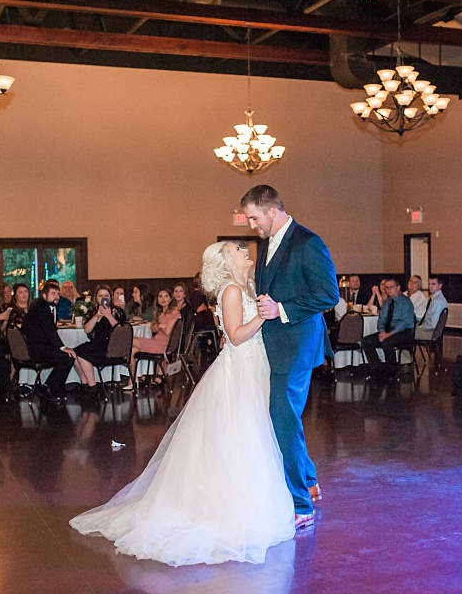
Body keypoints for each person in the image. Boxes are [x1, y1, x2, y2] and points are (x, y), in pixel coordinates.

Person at [70, 241, 294, 566]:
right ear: (226, 262)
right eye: (237, 249)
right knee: (240, 432)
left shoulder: (248, 285)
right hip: (240, 369)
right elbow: (234, 334)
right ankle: (231, 505)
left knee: (253, 431)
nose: (245, 251)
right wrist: (263, 315)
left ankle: (253, 500)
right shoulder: (232, 290)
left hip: (254, 365)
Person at [245, 184, 340, 529]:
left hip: (298, 344)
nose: (252, 226)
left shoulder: (308, 242)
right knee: (284, 419)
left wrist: (281, 309)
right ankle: (310, 482)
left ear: (272, 211)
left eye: (254, 218)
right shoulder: (265, 243)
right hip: (273, 344)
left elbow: (329, 294)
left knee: (282, 418)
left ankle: (300, 504)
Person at [21, 280, 76, 403]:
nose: (56, 296)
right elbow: (49, 330)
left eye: (57, 293)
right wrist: (62, 347)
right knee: (67, 357)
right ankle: (49, 388)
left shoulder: (44, 305)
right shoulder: (41, 307)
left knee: (67, 356)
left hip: (36, 346)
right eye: (53, 293)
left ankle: (51, 388)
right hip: (35, 349)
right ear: (44, 295)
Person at [124, 288, 181, 390]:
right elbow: (153, 328)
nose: (163, 299)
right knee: (132, 351)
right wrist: (160, 325)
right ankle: (133, 379)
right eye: (160, 296)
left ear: (170, 299)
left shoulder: (174, 311)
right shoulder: (160, 312)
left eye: (166, 296)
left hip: (163, 345)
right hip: (156, 341)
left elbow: (167, 331)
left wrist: (159, 326)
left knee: (129, 340)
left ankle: (136, 378)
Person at [361, 276, 415, 378]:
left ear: (398, 288)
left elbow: (404, 323)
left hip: (404, 332)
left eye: (391, 287)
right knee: (366, 341)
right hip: (387, 331)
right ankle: (376, 368)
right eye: (387, 287)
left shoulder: (406, 302)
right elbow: (381, 320)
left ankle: (391, 371)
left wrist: (389, 334)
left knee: (387, 342)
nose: (389, 290)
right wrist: (382, 332)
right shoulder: (386, 303)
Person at [73, 285, 121, 393]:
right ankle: (85, 381)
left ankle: (92, 385)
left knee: (82, 354)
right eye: (100, 296)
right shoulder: (93, 311)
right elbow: (87, 330)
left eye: (106, 296)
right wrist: (97, 317)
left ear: (110, 297)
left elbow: (120, 331)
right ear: (96, 298)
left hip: (110, 346)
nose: (103, 298)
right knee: (72, 354)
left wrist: (109, 316)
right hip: (96, 343)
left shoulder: (116, 311)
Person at [187, 273, 217, 354]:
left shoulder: (195, 294)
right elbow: (201, 310)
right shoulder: (198, 294)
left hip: (200, 319)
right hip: (202, 321)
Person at [415, 275, 449, 342]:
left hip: (430, 333)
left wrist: (420, 327)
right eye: (429, 284)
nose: (430, 286)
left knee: (404, 334)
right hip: (430, 331)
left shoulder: (438, 301)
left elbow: (433, 324)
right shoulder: (435, 298)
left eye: (433, 284)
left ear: (440, 286)